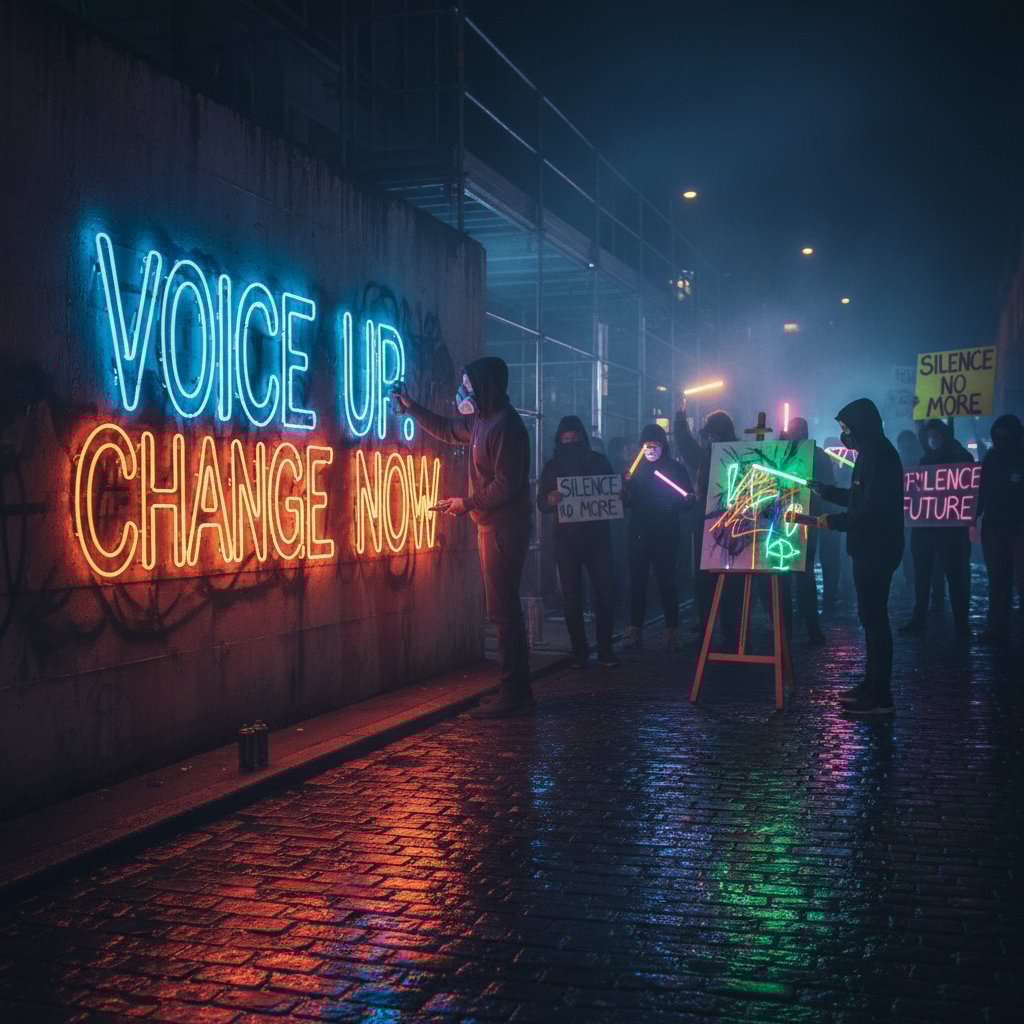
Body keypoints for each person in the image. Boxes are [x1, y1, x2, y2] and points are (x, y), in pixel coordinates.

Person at [397, 357, 534, 718]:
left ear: (485, 385)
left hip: (504, 527)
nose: (463, 390)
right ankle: (514, 689)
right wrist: (412, 407)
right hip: (491, 525)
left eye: (468, 383)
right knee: (501, 611)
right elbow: (446, 429)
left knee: (503, 612)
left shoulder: (505, 426)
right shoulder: (482, 422)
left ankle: (515, 693)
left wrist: (467, 503)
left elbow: (507, 483)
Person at [812, 398, 904, 715]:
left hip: (877, 549)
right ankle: (872, 684)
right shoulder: (868, 454)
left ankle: (880, 695)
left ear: (861, 426)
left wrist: (832, 522)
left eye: (846, 428)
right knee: (870, 618)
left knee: (875, 620)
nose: (844, 435)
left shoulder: (881, 457)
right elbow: (857, 498)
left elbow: (871, 511)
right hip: (867, 548)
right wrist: (827, 492)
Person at [537, 416, 618, 668]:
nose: (571, 442)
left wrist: (622, 495)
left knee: (605, 595)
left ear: (583, 438)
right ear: (560, 440)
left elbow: (615, 494)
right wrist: (550, 500)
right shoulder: (552, 467)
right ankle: (579, 651)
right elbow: (541, 503)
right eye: (567, 439)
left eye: (575, 438)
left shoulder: (599, 461)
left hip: (598, 541)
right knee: (572, 599)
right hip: (567, 543)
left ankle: (605, 649)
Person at [898, 419, 973, 637]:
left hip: (950, 530)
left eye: (937, 436)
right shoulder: (923, 462)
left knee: (954, 574)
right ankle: (920, 615)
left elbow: (970, 491)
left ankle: (961, 621)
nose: (933, 440)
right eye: (929, 436)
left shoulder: (962, 459)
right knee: (922, 575)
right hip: (923, 529)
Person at [622, 424, 693, 651]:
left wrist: (686, 501)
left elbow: (687, 498)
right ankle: (635, 630)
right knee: (638, 583)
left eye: (656, 445)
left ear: (664, 446)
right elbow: (626, 502)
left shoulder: (675, 469)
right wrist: (624, 493)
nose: (651, 449)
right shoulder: (633, 471)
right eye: (647, 445)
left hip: (666, 534)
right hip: (639, 534)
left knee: (667, 582)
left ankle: (672, 631)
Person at [675, 401, 741, 639]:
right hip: (732, 522)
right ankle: (729, 626)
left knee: (706, 576)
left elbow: (686, 447)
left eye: (708, 430)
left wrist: (680, 420)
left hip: (708, 521)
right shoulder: (737, 452)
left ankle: (708, 624)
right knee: (730, 576)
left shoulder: (709, 453)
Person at [779, 417, 829, 645]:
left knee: (805, 575)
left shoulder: (817, 455)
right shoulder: (782, 453)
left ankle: (809, 627)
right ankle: (788, 629)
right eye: (794, 430)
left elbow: (829, 486)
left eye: (801, 430)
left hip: (807, 520)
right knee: (785, 577)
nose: (797, 434)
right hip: (782, 521)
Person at [977, 414, 1024, 642]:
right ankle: (997, 625)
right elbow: (982, 489)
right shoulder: (992, 457)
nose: (1001, 440)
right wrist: (971, 514)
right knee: (997, 579)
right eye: (998, 436)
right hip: (994, 526)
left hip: (1018, 526)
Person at [820, 435, 848, 608]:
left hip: (837, 515)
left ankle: (834, 589)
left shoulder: (844, 468)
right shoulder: (827, 466)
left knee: (834, 554)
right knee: (829, 554)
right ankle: (831, 590)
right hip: (827, 514)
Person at [896, 429, 920, 588]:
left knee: (917, 549)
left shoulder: (924, 461)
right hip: (904, 515)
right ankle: (911, 578)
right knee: (907, 551)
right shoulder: (897, 462)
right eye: (903, 447)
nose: (905, 449)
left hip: (922, 515)